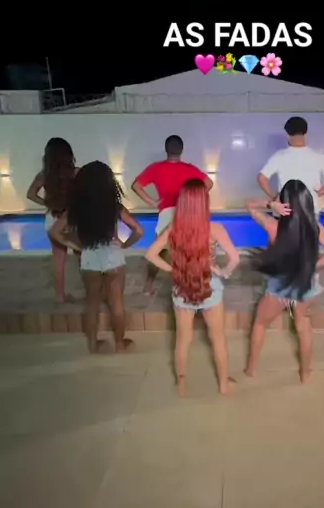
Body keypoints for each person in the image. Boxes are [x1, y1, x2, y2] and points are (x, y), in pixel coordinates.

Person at [146, 179, 240, 397]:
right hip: (209, 287)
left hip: (182, 287)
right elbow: (235, 258)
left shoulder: (173, 229)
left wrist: (174, 271)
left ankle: (181, 385)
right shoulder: (215, 229)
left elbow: (150, 254)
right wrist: (222, 271)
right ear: (204, 202)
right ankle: (223, 384)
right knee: (218, 338)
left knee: (182, 340)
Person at [245, 180, 324, 383]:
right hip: (305, 284)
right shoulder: (315, 227)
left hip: (279, 287)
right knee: (303, 326)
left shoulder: (273, 226)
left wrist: (270, 205)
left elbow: (249, 205)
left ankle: (252, 369)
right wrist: (311, 267)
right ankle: (305, 373)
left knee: (260, 323)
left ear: (283, 202)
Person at [50, 162, 143, 354]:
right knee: (116, 303)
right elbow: (139, 230)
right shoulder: (114, 207)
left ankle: (93, 345)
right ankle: (120, 344)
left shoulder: (76, 209)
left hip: (89, 256)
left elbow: (54, 232)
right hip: (113, 255)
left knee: (92, 303)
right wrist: (125, 245)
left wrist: (75, 246)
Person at [132, 135, 213, 295]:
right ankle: (190, 285)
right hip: (187, 213)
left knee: (159, 251)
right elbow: (209, 184)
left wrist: (153, 202)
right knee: (189, 251)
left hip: (166, 214)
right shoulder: (190, 169)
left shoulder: (156, 168)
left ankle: (148, 286)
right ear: (181, 150)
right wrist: (193, 198)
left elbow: (136, 186)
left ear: (166, 150)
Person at [26, 138, 79, 303]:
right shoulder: (77, 173)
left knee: (58, 259)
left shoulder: (44, 175)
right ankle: (91, 292)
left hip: (53, 218)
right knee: (82, 256)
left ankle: (60, 296)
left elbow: (30, 194)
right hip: (72, 217)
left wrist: (47, 203)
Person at [257, 116, 324, 217]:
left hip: (285, 210)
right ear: (305, 134)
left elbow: (261, 178)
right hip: (311, 209)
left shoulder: (279, 156)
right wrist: (319, 193)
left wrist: (275, 197)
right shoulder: (317, 156)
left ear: (287, 135)